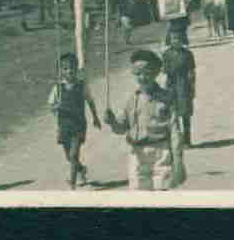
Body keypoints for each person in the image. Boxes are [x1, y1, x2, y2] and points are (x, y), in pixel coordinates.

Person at [104, 50, 185, 190]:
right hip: (137, 153)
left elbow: (175, 133)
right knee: (138, 193)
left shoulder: (167, 98)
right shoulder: (131, 100)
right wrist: (112, 122)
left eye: (147, 72)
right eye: (138, 73)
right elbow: (121, 128)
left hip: (161, 151)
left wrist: (178, 163)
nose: (143, 77)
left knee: (162, 192)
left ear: (156, 72)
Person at [48, 53, 102, 189]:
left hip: (78, 125)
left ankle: (71, 183)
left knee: (73, 155)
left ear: (77, 69)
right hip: (64, 126)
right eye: (65, 68)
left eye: (72, 68)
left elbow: (90, 101)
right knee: (69, 157)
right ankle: (81, 170)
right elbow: (50, 106)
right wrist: (56, 107)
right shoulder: (57, 88)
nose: (69, 71)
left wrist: (95, 117)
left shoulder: (82, 85)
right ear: (61, 71)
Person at [162, 31, 196, 147]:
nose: (175, 41)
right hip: (172, 85)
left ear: (182, 40)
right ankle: (176, 140)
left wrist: (192, 87)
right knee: (173, 114)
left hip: (184, 85)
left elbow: (191, 72)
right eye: (173, 39)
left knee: (185, 113)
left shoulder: (188, 54)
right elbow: (165, 71)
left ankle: (187, 139)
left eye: (178, 38)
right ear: (169, 41)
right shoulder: (166, 54)